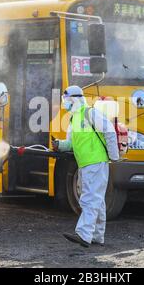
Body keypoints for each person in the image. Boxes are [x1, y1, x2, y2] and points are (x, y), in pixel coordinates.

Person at [53, 86, 120, 247]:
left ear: (75, 100)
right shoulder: (73, 119)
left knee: (90, 198)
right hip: (85, 164)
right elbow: (71, 143)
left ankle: (84, 234)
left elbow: (109, 130)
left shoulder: (89, 113)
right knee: (97, 200)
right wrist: (60, 145)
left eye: (67, 101)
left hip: (95, 162)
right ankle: (97, 235)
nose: (65, 104)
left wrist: (114, 156)